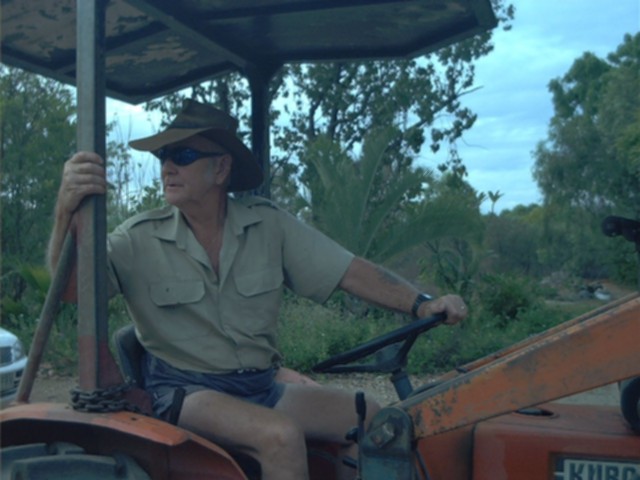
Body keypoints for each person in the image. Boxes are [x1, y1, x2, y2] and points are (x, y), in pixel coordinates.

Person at [47, 99, 468, 480]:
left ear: (221, 169)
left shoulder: (267, 225)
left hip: (260, 388)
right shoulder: (138, 238)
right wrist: (67, 210)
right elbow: (72, 292)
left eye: (183, 155)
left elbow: (348, 270)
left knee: (374, 420)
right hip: (184, 392)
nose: (168, 167)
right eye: (164, 156)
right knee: (279, 436)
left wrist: (420, 304)